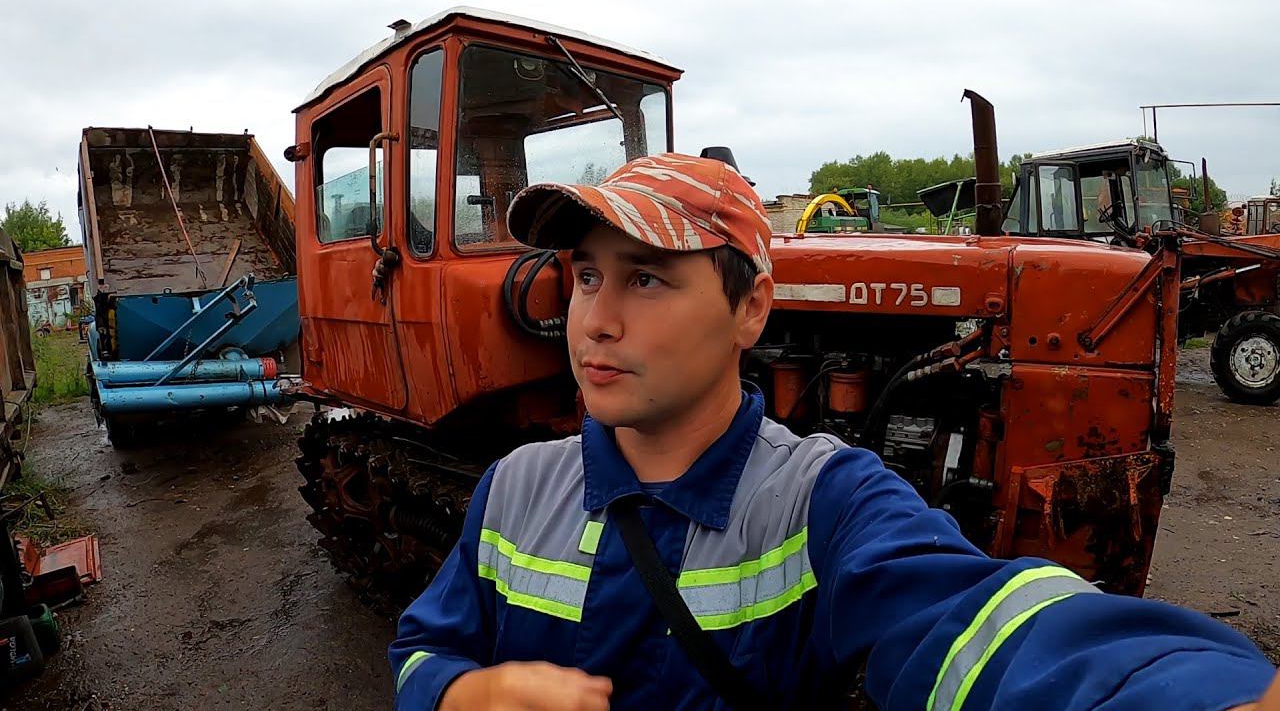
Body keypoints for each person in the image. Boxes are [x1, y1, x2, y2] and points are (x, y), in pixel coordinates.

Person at [390, 153, 1279, 710]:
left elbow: (977, 623)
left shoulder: (821, 501)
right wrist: (463, 692)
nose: (596, 321)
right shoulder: (514, 489)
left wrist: (1187, 688)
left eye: (647, 279)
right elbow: (423, 648)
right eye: (586, 277)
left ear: (752, 310)